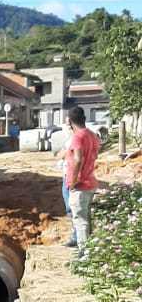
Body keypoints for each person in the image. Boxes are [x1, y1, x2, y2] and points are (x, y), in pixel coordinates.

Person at [64, 106, 100, 253]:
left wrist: (73, 181)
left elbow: (78, 159)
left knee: (80, 220)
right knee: (86, 218)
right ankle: (89, 250)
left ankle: (84, 253)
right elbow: (95, 155)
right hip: (91, 181)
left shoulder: (78, 137)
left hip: (81, 185)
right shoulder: (92, 135)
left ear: (70, 121)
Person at [57, 128, 77, 248]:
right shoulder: (72, 139)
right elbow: (60, 154)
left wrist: (64, 153)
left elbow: (62, 154)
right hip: (68, 177)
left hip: (72, 178)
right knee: (72, 208)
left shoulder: (75, 140)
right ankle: (77, 237)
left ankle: (77, 238)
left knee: (73, 208)